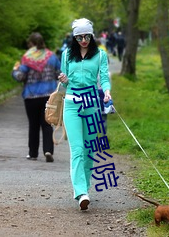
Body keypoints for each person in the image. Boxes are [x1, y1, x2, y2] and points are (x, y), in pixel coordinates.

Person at [58, 18, 111, 210]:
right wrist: (63, 79)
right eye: (79, 37)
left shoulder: (100, 55)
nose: (83, 40)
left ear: (92, 35)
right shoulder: (66, 55)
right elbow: (64, 84)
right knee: (78, 150)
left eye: (87, 36)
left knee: (90, 150)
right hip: (71, 104)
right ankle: (80, 192)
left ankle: (85, 188)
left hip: (92, 105)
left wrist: (106, 91)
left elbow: (104, 77)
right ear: (74, 37)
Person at [12, 32, 61, 162]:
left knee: (33, 125)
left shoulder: (27, 58)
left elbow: (20, 77)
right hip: (48, 96)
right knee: (47, 124)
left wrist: (15, 70)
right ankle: (48, 150)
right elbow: (59, 74)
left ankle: (33, 153)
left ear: (31, 44)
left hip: (31, 96)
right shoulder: (52, 57)